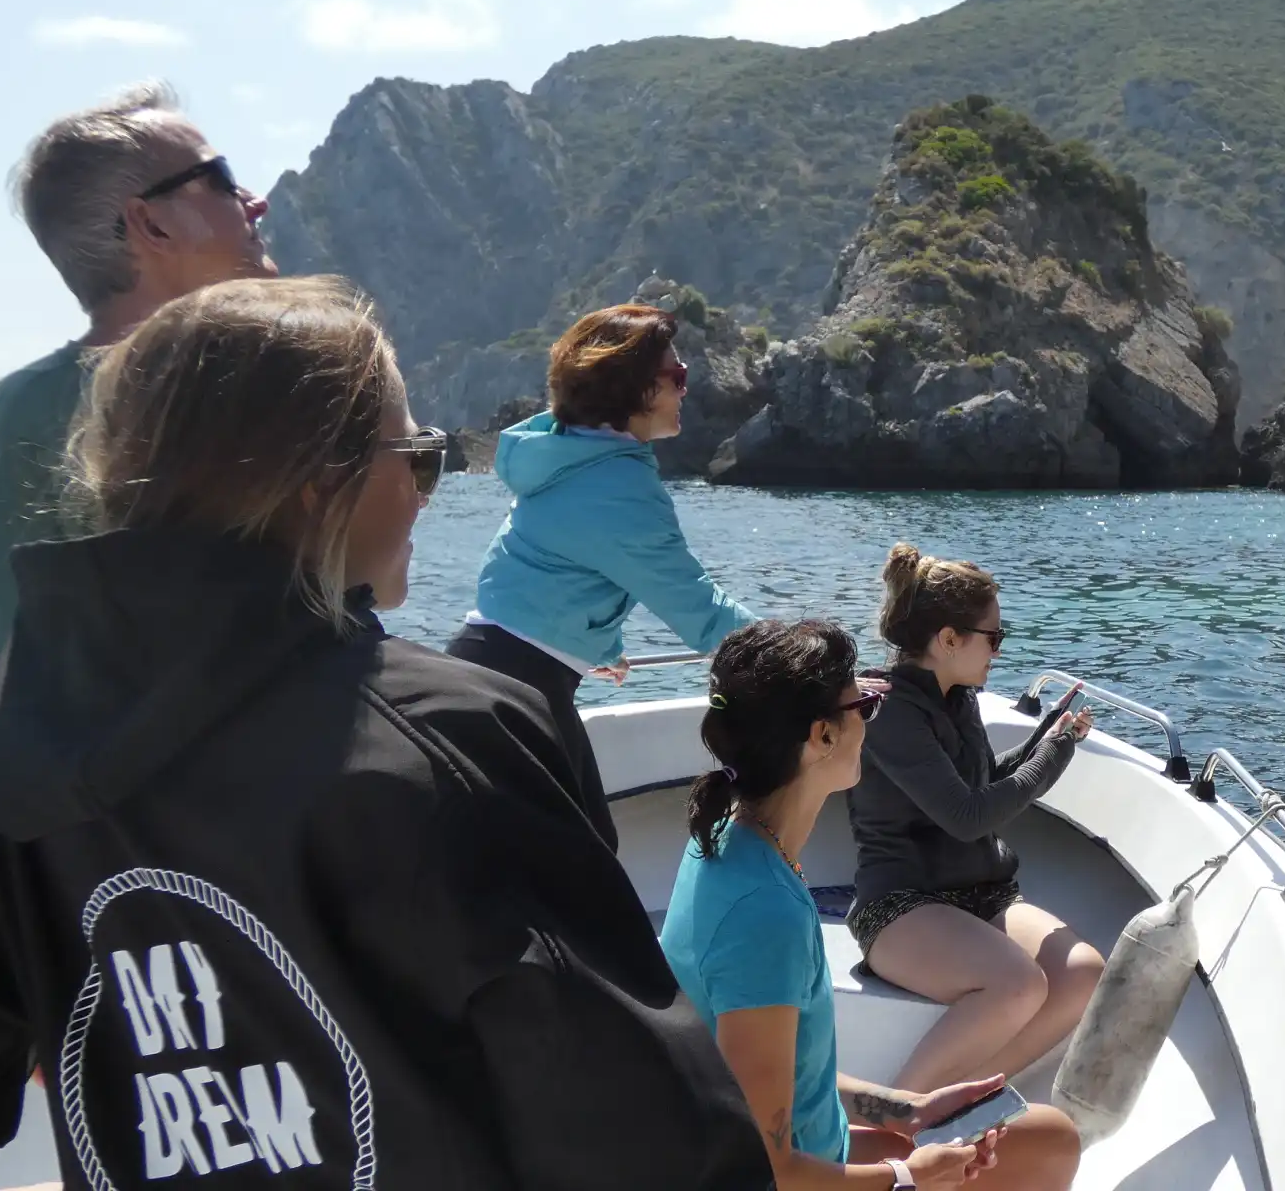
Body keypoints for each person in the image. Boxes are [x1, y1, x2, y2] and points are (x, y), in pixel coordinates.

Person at [0, 277, 772, 1189]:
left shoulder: (40, 768)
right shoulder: (457, 735)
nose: (429, 490)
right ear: (315, 483)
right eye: (417, 456)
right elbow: (661, 1139)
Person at [660, 619, 1080, 1191]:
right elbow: (764, 1169)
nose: (870, 722)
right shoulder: (764, 913)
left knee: (1046, 1135)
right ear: (821, 736)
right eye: (865, 708)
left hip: (803, 1148)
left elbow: (784, 1080)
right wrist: (904, 1176)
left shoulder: (725, 843)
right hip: (789, 1175)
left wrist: (907, 1109)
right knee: (1051, 1146)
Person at [0, 80, 276, 754]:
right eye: (221, 180)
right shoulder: (221, 404)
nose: (255, 201)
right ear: (151, 224)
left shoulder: (4, 412)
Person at [449, 303, 756, 850]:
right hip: (519, 689)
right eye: (676, 377)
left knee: (576, 865)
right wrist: (804, 658)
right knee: (580, 871)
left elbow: (547, 567)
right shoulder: (615, 484)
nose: (686, 390)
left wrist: (592, 644)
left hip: (494, 669)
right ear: (632, 388)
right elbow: (700, 612)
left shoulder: (572, 457)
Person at [846, 544, 1104, 1093]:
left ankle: (965, 1100)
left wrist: (1046, 739)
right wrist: (1054, 757)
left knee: (1082, 973)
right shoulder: (890, 710)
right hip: (900, 904)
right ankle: (901, 1115)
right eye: (994, 637)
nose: (998, 651)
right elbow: (967, 817)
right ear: (947, 640)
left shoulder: (956, 697)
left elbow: (980, 784)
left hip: (980, 894)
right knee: (1019, 985)